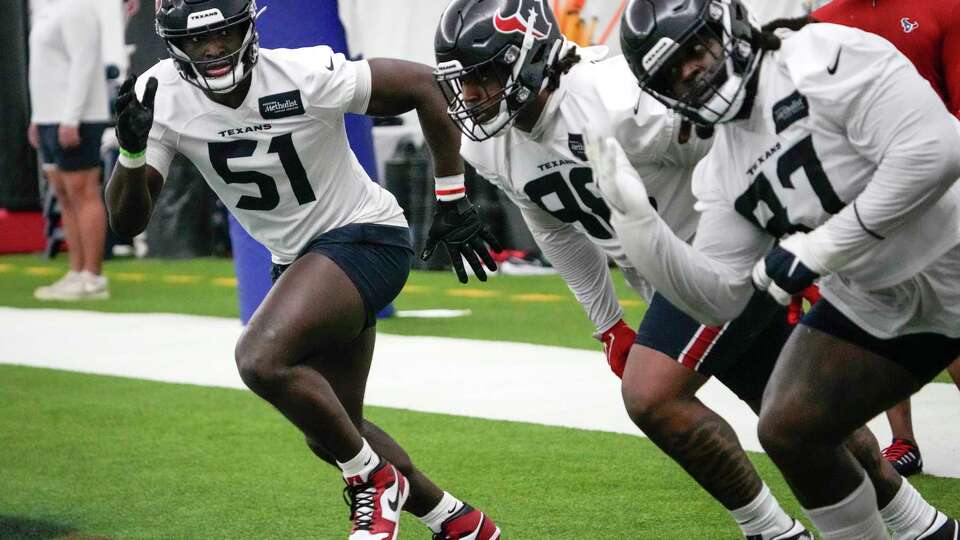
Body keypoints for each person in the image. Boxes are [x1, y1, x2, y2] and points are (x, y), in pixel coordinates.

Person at [435, 1, 912, 538]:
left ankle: (771, 531)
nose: (470, 96)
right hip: (672, 278)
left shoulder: (617, 99)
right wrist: (607, 322)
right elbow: (552, 224)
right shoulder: (488, 149)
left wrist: (787, 242)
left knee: (652, 395)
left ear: (529, 56)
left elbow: (739, 147)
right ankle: (919, 523)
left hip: (718, 259)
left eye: (482, 75)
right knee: (805, 416)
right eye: (461, 82)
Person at [104, 1, 501, 539]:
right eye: (198, 41)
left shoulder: (304, 72)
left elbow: (426, 86)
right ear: (173, 43)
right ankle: (458, 522)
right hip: (299, 264)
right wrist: (130, 152)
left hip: (366, 236)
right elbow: (128, 222)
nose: (214, 51)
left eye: (223, 35)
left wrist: (453, 198)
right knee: (333, 428)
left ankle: (374, 482)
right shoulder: (161, 96)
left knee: (259, 358)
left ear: (248, 26)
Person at [598, 0, 960, 537]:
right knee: (790, 426)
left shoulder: (823, 54)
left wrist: (821, 249)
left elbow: (936, 152)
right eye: (671, 74)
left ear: (729, 26)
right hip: (877, 297)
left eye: (693, 52)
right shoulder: (721, 166)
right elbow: (718, 295)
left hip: (952, 251)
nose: (690, 73)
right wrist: (641, 232)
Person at [808, 0, 960, 478]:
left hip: (942, 181)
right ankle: (904, 441)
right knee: (888, 314)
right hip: (867, 194)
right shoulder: (820, 23)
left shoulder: (942, 7)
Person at [28, 0, 111, 301]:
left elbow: (84, 62)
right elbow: (43, 69)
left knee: (83, 191)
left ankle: (93, 276)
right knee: (63, 194)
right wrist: (38, 118)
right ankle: (76, 271)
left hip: (76, 117)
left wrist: (72, 116)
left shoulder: (78, 8)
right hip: (50, 117)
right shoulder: (45, 9)